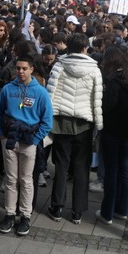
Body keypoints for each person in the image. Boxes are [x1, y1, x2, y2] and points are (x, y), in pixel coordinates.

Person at [45, 33, 103, 225]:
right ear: (85, 48)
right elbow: (97, 100)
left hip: (61, 122)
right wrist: (98, 124)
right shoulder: (95, 70)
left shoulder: (59, 65)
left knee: (60, 166)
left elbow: (50, 94)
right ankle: (78, 211)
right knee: (81, 168)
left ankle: (57, 207)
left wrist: (47, 118)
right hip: (84, 125)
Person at [0, 55, 52, 237]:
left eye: (24, 68)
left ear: (31, 69)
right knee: (10, 179)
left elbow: (47, 121)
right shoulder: (7, 89)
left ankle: (25, 215)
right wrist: (1, 135)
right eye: (18, 68)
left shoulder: (40, 92)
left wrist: (35, 140)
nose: (20, 71)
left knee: (26, 180)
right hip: (9, 141)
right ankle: (10, 214)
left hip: (29, 142)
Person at [96, 45, 128, 225]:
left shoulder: (113, 79)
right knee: (124, 168)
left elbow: (109, 105)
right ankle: (122, 209)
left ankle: (107, 212)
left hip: (113, 129)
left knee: (111, 170)